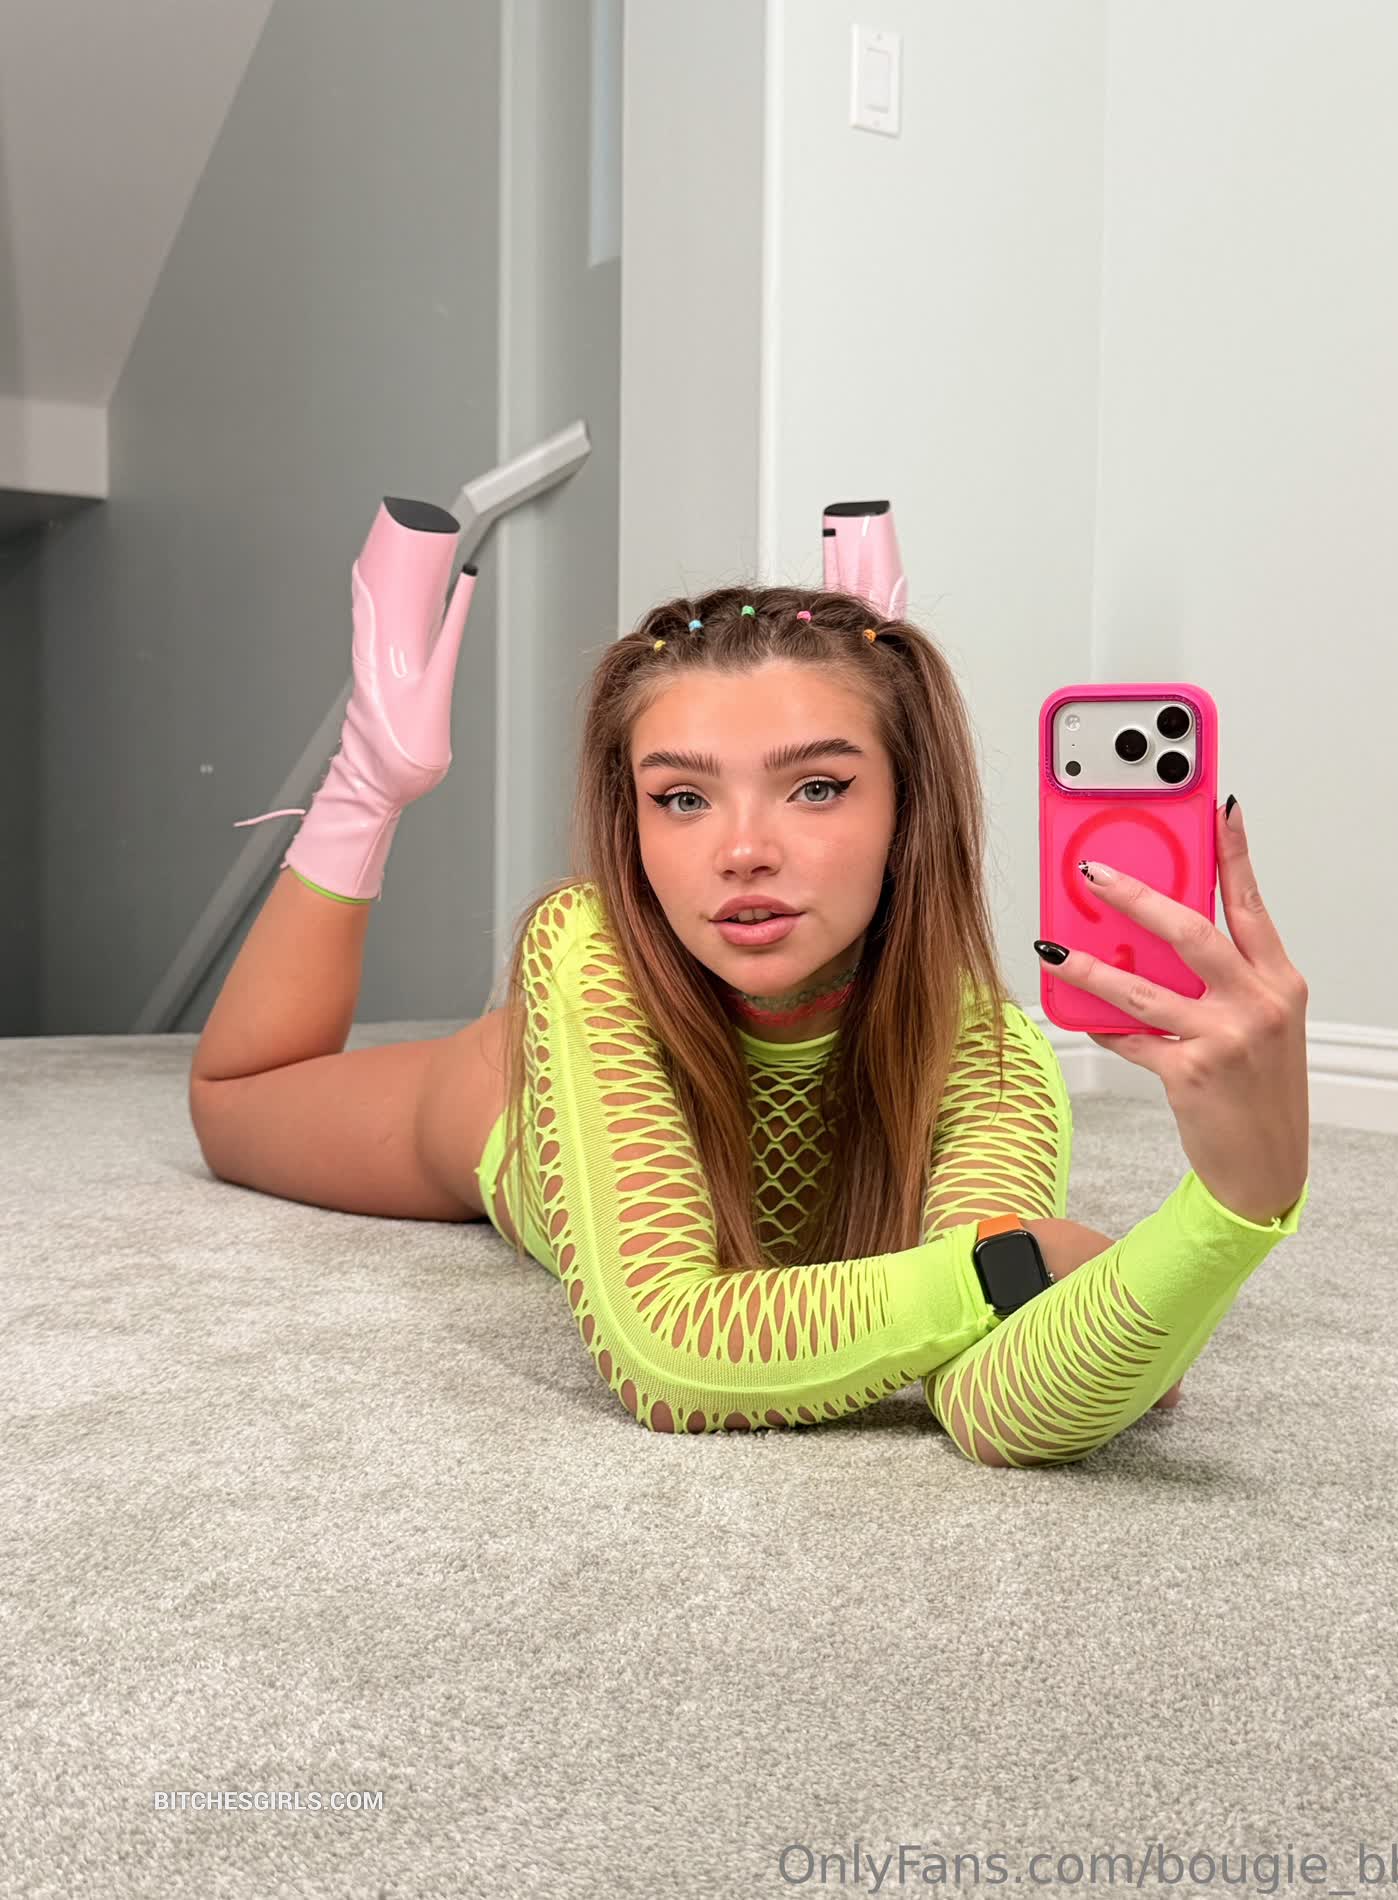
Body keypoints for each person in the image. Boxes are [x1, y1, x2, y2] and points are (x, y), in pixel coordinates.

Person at [192, 498, 1310, 1464]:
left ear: (909, 806)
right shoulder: (584, 950)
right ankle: (372, 770)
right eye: (681, 798)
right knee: (236, 1105)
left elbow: (999, 1409)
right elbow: (668, 1356)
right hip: (510, 1110)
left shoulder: (985, 1048)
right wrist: (1004, 1272)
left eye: (816, 787)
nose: (740, 852)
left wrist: (1231, 1205)